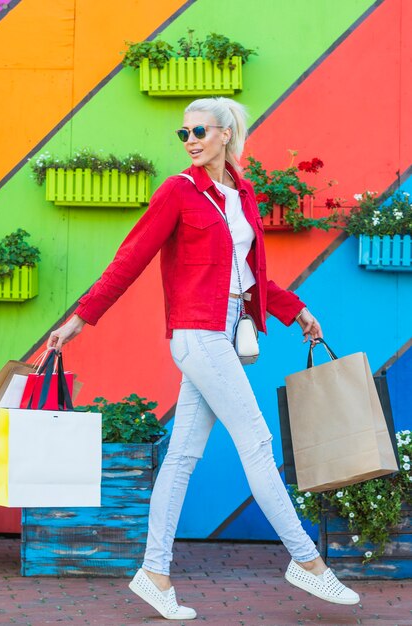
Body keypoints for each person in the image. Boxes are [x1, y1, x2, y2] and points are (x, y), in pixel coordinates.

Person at [48, 97, 360, 620]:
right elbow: (131, 257)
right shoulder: (178, 192)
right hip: (197, 335)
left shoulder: (242, 194)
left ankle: (153, 572)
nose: (189, 139)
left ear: (225, 134)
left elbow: (250, 273)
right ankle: (306, 561)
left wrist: (294, 309)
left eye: (198, 130)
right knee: (257, 442)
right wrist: (81, 317)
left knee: (182, 457)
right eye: (183, 133)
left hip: (227, 329)